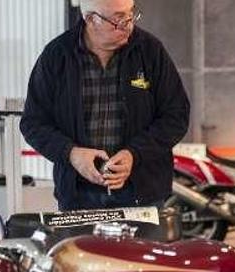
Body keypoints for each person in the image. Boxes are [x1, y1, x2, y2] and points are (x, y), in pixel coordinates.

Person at [20, 0, 190, 211]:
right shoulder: (57, 56)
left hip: (143, 195)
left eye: (130, 14)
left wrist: (134, 154)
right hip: (78, 198)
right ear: (91, 19)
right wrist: (72, 154)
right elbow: (33, 123)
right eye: (117, 19)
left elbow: (177, 116)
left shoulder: (150, 51)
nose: (128, 25)